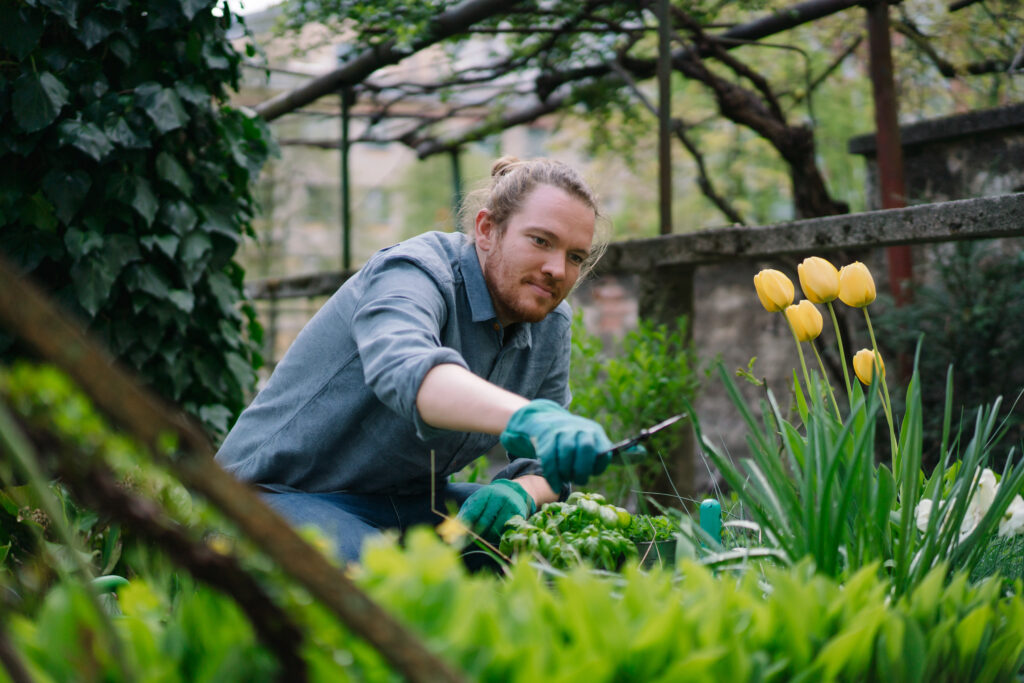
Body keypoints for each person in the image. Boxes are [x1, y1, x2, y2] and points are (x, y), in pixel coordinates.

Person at [215, 156, 616, 563]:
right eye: (541, 241)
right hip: (273, 494)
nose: (557, 270)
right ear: (486, 230)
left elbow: (545, 466)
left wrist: (522, 491)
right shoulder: (415, 273)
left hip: (403, 504)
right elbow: (408, 370)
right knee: (375, 578)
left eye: (575, 257)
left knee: (555, 545)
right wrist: (527, 416)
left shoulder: (550, 323)